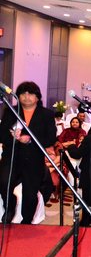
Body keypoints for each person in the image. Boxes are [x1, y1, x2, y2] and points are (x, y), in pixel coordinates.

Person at [0, 81, 56, 224]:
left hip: (33, 159)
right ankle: (10, 207)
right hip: (11, 157)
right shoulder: (10, 111)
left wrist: (30, 139)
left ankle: (26, 221)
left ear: (37, 97)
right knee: (3, 182)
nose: (26, 97)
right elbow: (2, 135)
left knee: (30, 195)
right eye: (22, 94)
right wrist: (13, 137)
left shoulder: (47, 114)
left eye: (30, 93)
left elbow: (50, 138)